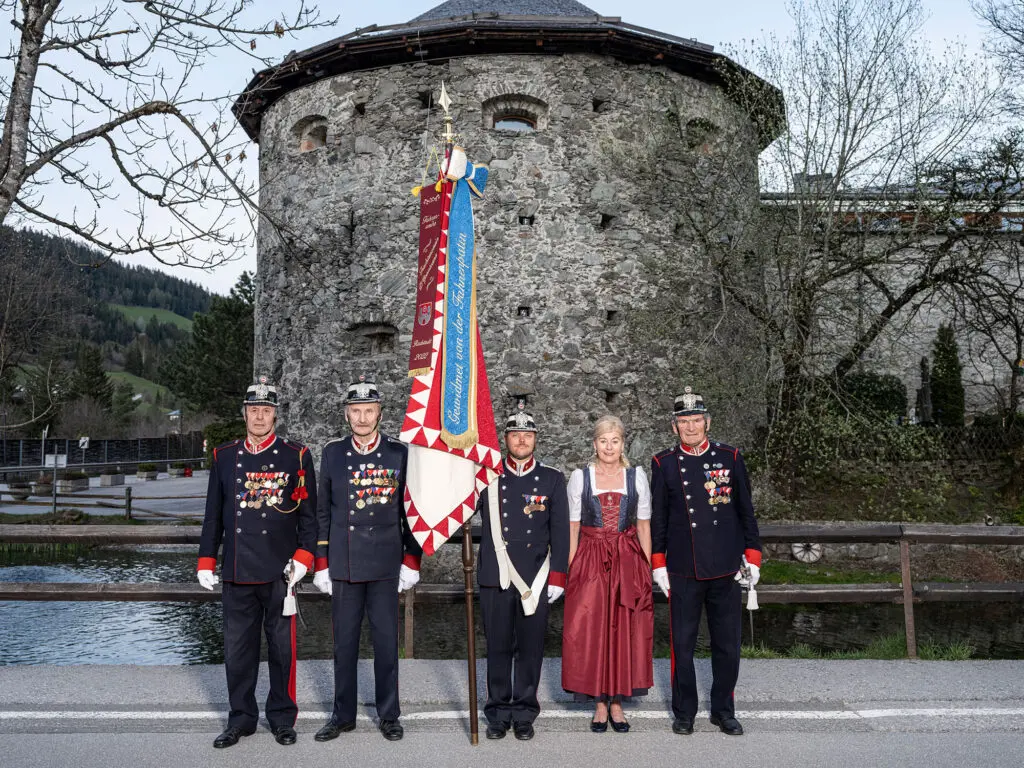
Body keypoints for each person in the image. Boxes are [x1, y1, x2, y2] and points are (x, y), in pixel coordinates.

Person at [197, 376, 317, 749]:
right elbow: (213, 515)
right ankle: (241, 719)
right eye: (254, 410)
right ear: (244, 413)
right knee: (237, 651)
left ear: (275, 416)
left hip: (280, 572)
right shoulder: (225, 456)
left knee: (282, 651)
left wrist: (303, 558)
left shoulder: (296, 455)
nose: (260, 417)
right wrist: (205, 560)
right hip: (236, 570)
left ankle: (282, 718)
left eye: (266, 410)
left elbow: (309, 518)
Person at [311, 376, 422, 743]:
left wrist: (412, 559)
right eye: (355, 411)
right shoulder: (332, 453)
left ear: (379, 413)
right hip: (344, 565)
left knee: (387, 643)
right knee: (344, 644)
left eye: (368, 411)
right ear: (346, 414)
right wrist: (322, 563)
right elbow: (323, 512)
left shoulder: (398, 453)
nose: (362, 418)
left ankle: (389, 714)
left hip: (386, 564)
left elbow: (412, 511)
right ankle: (342, 715)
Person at [650, 386, 762, 737]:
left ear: (707, 422)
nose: (691, 427)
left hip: (726, 568)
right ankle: (685, 712)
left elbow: (746, 511)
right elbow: (659, 520)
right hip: (683, 569)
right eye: (684, 421)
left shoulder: (730, 457)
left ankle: (723, 709)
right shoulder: (663, 464)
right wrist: (658, 564)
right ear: (674, 427)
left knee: (727, 645)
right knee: (682, 646)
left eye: (696, 420)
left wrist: (753, 557)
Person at [476, 400, 569, 741]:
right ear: (506, 438)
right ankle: (498, 712)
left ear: (535, 438)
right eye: (515, 435)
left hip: (535, 577)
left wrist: (558, 575)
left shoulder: (552, 479)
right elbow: (457, 505)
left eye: (527, 435)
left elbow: (560, 532)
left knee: (529, 648)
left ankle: (525, 711)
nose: (521, 441)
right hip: (495, 576)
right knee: (498, 646)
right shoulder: (486, 476)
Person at [562, 415, 653, 733]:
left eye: (614, 440)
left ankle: (617, 702)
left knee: (623, 628)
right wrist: (570, 569)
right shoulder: (580, 477)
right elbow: (573, 527)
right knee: (592, 629)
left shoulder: (636, 476)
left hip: (627, 558)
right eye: (603, 441)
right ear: (594, 443)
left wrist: (647, 568)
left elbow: (642, 525)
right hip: (590, 558)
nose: (609, 446)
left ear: (622, 443)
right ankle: (599, 702)